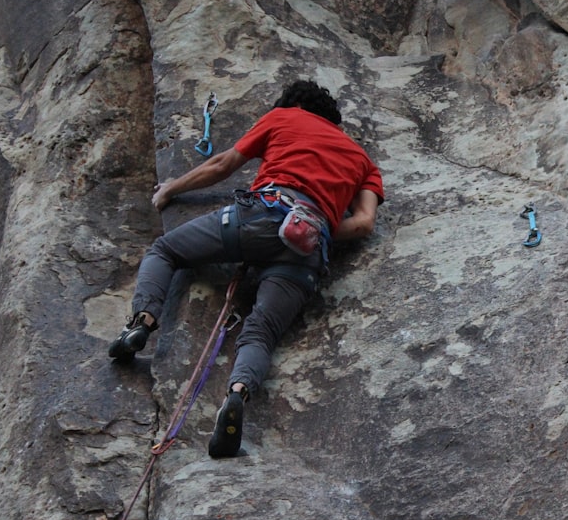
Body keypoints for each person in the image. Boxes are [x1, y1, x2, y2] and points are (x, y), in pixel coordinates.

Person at [109, 80, 384, 458]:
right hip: (309, 244)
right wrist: (308, 225)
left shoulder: (284, 117)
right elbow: (365, 222)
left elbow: (224, 164)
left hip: (260, 214)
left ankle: (141, 323)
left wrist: (171, 188)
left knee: (166, 251)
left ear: (295, 105)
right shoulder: (364, 162)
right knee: (261, 333)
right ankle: (237, 394)